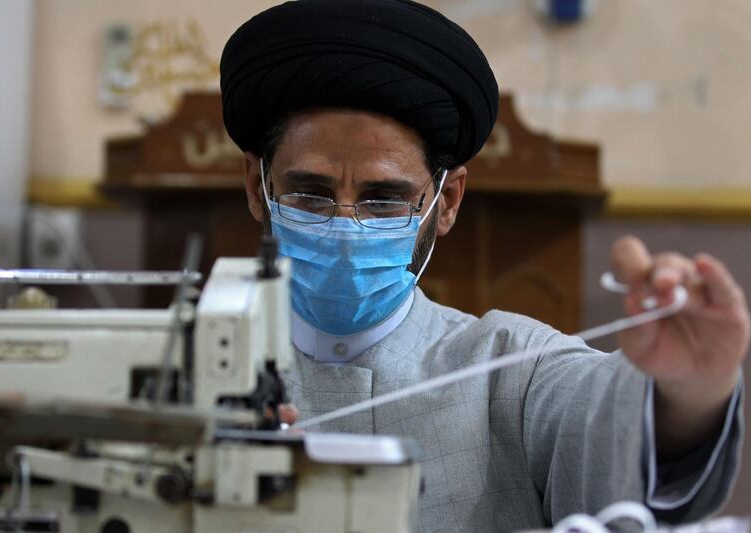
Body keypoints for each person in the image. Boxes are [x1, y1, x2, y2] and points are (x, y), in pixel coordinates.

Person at [219, 1, 749, 531]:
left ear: (446, 201)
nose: (344, 227)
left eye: (384, 200)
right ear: (256, 187)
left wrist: (689, 389)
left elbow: (612, 424)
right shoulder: (179, 363)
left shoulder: (514, 370)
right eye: (310, 194)